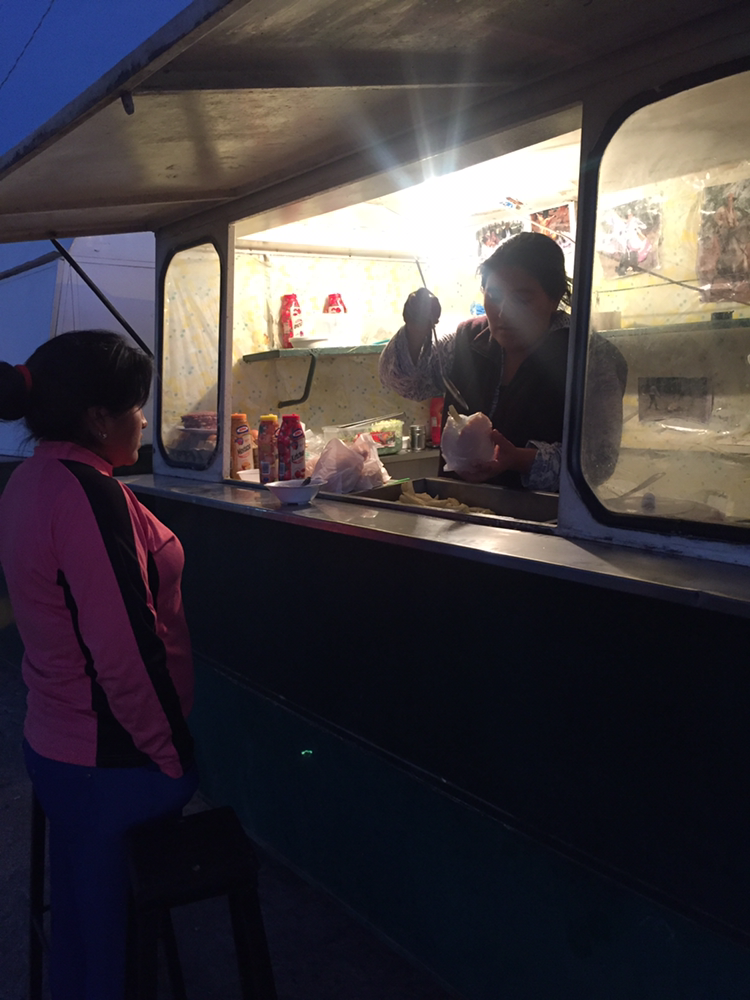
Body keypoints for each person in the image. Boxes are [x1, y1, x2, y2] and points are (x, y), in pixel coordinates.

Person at [0, 331, 198, 1000]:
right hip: (110, 761)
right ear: (97, 418)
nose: (144, 420)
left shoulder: (29, 480)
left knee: (86, 923)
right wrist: (172, 756)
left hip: (56, 746)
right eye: (136, 407)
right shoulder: (86, 496)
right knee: (116, 950)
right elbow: (124, 653)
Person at [379, 231, 627, 491]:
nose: (504, 311)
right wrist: (416, 327)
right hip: (459, 505)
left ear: (554, 299)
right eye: (494, 296)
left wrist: (519, 460)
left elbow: (598, 460)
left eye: (522, 298)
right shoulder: (466, 341)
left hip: (543, 513)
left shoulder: (590, 358)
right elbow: (406, 383)